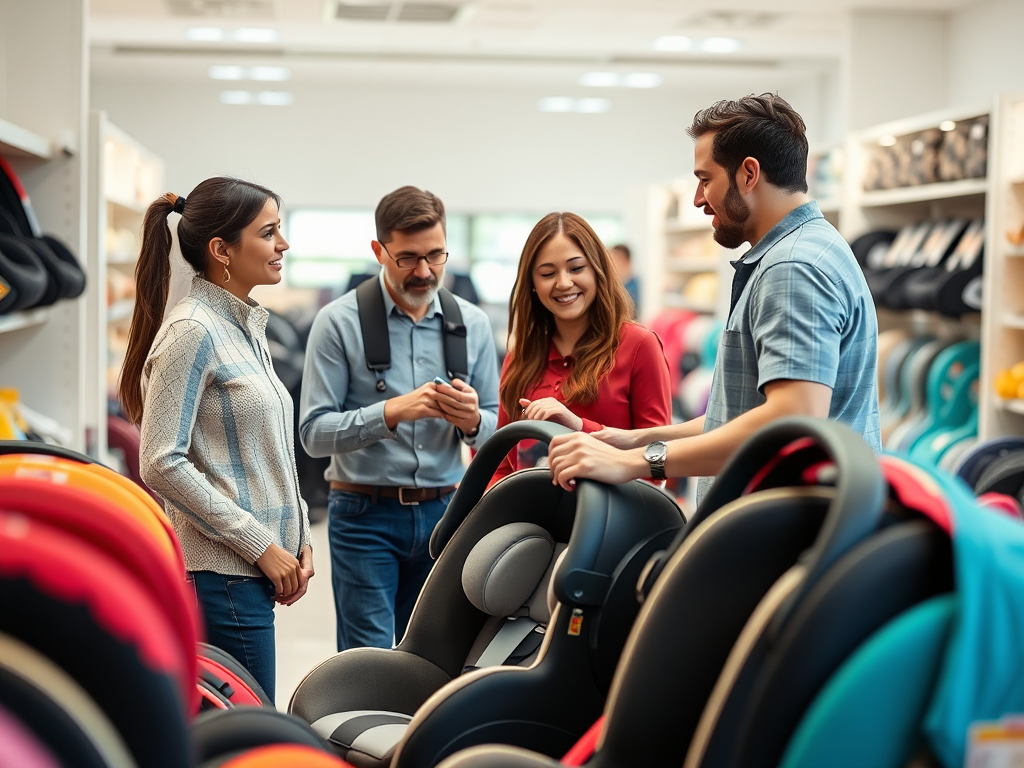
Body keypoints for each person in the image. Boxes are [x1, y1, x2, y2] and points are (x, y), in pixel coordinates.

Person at [547, 93, 881, 503]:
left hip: (787, 531)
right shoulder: (810, 248)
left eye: (705, 179)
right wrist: (630, 440)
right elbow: (741, 413)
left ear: (748, 174)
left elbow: (793, 417)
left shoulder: (792, 267)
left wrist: (640, 462)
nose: (697, 198)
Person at [120, 178, 313, 703]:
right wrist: (261, 545)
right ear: (222, 251)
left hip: (251, 573)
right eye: (269, 233)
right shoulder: (194, 331)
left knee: (239, 725)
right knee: (245, 734)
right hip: (222, 577)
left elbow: (267, 448)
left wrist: (297, 534)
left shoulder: (244, 323)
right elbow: (160, 461)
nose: (283, 245)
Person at [300, 185, 500, 652]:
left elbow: (494, 429)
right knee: (366, 659)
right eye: (408, 257)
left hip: (446, 513)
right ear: (379, 251)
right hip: (363, 515)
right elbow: (312, 434)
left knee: (430, 655)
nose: (425, 271)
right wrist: (390, 412)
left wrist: (473, 423)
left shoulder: (472, 323)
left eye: (436, 255)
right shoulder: (337, 323)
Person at [491, 213, 672, 485]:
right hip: (532, 521)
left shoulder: (639, 345)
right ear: (532, 284)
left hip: (613, 522)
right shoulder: (521, 357)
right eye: (548, 273)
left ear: (598, 270)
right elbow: (502, 466)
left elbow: (658, 463)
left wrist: (578, 426)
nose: (563, 283)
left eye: (576, 268)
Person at [610, 243, 640, 318]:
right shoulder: (615, 285)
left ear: (625, 262)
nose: (610, 265)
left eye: (614, 260)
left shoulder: (634, 287)